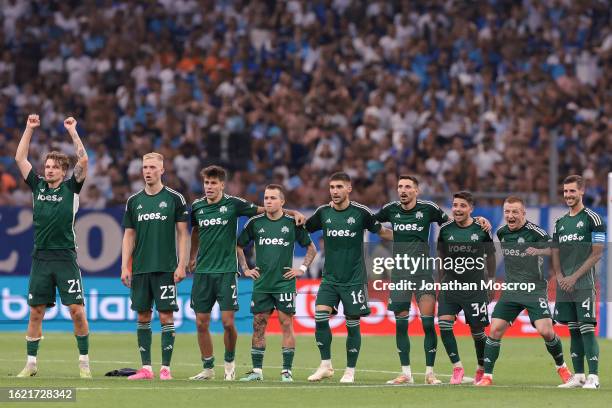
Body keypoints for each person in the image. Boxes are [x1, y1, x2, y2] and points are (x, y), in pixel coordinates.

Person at [188, 166, 305, 381]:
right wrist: (192, 256)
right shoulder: (197, 207)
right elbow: (195, 232)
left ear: (222, 185)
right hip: (203, 272)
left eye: (213, 183)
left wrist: (293, 212)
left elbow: (266, 209)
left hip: (226, 271)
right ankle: (208, 368)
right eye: (206, 183)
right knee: (201, 322)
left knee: (227, 322)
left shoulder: (234, 204)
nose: (209, 187)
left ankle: (230, 362)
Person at [375, 176, 491, 385]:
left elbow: (455, 222)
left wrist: (480, 221)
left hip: (422, 273)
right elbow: (372, 224)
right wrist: (394, 234)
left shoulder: (429, 208)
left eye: (408, 187)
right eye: (400, 186)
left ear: (416, 191)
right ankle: (406, 373)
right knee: (401, 325)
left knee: (429, 324)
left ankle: (430, 373)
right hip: (400, 273)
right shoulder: (390, 209)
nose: (403, 190)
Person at [15, 114, 91, 378]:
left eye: (54, 167)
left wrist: (72, 131)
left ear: (63, 171)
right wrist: (28, 128)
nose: (48, 170)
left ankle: (84, 364)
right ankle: (31, 364)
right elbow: (20, 160)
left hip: (65, 258)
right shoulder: (36, 186)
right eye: (46, 166)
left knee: (76, 311)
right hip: (41, 259)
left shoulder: (72, 188)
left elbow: (83, 160)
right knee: (36, 312)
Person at [305, 172, 393, 383]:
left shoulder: (361, 212)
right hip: (330, 278)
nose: (335, 191)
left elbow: (382, 232)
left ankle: (350, 371)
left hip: (354, 278)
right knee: (320, 316)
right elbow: (303, 228)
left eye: (339, 187)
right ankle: (325, 365)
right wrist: (293, 215)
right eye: (332, 187)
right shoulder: (323, 212)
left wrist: (411, 236)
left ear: (349, 189)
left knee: (352, 323)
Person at [476, 196, 572, 386]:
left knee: (546, 331)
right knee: (494, 330)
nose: (510, 215)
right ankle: (487, 376)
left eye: (514, 212)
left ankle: (562, 367)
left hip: (534, 289)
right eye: (507, 212)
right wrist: (482, 221)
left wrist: (539, 251)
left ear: (523, 213)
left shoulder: (535, 232)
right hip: (511, 289)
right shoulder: (502, 233)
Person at [236, 184, 317, 382]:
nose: (268, 201)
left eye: (273, 198)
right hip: (262, 284)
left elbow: (311, 248)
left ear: (282, 202)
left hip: (284, 284)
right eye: (266, 198)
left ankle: (286, 371)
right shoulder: (255, 222)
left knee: (286, 324)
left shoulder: (292, 222)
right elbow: (238, 245)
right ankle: (256, 371)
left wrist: (302, 270)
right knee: (258, 325)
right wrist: (245, 269)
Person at [120, 152, 189, 381]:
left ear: (162, 170)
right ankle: (147, 369)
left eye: (151, 167)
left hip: (165, 268)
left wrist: (182, 264)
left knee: (166, 317)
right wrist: (124, 266)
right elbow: (129, 236)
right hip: (140, 268)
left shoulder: (175, 199)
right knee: (142, 317)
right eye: (144, 167)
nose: (147, 171)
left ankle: (165, 369)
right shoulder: (134, 201)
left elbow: (182, 234)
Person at [437, 191, 496, 385]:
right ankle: (457, 367)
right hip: (451, 286)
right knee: (444, 325)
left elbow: (491, 256)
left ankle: (481, 367)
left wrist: (492, 280)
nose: (457, 209)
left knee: (477, 332)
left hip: (475, 287)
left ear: (470, 209)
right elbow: (441, 258)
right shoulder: (445, 230)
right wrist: (441, 282)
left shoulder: (482, 228)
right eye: (455, 205)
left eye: (462, 206)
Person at [553, 175, 606, 389]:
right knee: (573, 329)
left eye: (572, 191)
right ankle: (579, 376)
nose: (568, 195)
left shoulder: (594, 219)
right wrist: (559, 276)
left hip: (583, 283)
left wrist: (574, 277)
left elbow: (597, 254)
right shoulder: (560, 222)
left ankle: (593, 376)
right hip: (564, 284)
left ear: (582, 191)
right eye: (565, 191)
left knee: (586, 328)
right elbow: (555, 251)